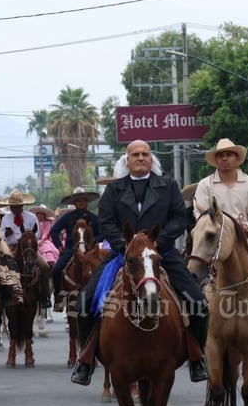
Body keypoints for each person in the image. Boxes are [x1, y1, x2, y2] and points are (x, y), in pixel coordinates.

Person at [70, 139, 209, 385]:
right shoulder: (114, 189)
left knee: (199, 302)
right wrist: (125, 245)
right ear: (127, 160)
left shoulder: (168, 185)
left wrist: (157, 242)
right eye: (135, 154)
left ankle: (198, 357)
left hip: (162, 253)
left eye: (145, 154)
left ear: (151, 159)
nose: (141, 158)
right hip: (122, 255)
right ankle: (86, 359)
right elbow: (106, 221)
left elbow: (179, 218)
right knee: (83, 302)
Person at [192, 138, 248, 296]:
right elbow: (199, 214)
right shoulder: (205, 184)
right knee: (192, 277)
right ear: (216, 160)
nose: (225, 158)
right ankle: (194, 317)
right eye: (220, 155)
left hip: (246, 241)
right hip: (212, 244)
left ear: (237, 159)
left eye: (229, 155)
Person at [50, 187, 103, 312]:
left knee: (103, 269)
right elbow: (54, 231)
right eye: (78, 201)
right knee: (57, 269)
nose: (81, 203)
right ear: (74, 202)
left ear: (87, 202)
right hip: (71, 250)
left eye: (83, 200)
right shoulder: (67, 217)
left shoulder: (94, 218)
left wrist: (94, 240)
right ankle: (59, 297)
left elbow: (103, 233)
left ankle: (103, 296)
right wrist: (59, 246)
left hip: (90, 250)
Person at [0, 189, 51, 307]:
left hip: (29, 248)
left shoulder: (31, 217)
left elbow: (37, 234)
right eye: (12, 207)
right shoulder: (6, 218)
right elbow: (0, 234)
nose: (15, 209)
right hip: (11, 247)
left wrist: (27, 237)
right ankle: (1, 298)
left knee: (45, 267)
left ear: (22, 206)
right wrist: (6, 234)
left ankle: (45, 296)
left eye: (17, 206)